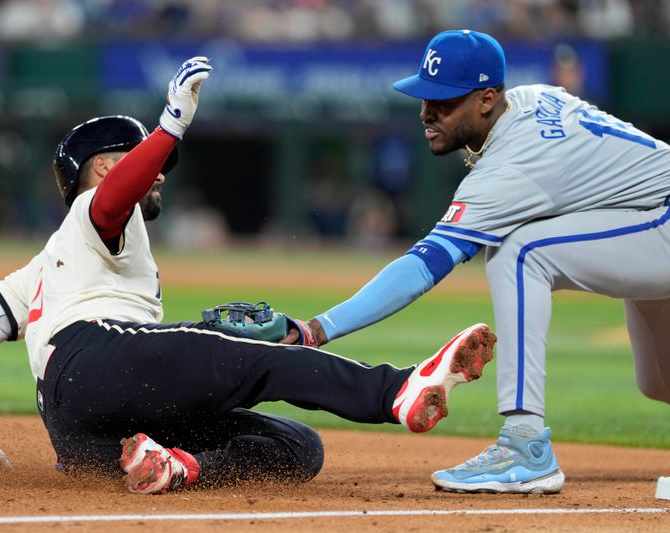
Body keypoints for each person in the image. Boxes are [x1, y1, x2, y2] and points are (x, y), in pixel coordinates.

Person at [0, 56, 497, 494]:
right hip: (94, 352)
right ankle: (398, 390)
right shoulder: (95, 210)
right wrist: (170, 125)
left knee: (295, 447)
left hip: (81, 436)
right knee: (260, 360)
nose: (160, 179)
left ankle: (179, 468)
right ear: (106, 167)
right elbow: (109, 202)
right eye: (148, 166)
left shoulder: (37, 270)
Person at [282, 29, 670, 495]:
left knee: (520, 250)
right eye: (424, 97)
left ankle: (525, 446)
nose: (427, 112)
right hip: (644, 218)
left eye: (444, 101)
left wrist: (316, 329)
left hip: (659, 219)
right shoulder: (531, 97)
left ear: (486, 100)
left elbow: (422, 267)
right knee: (659, 382)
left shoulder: (511, 165)